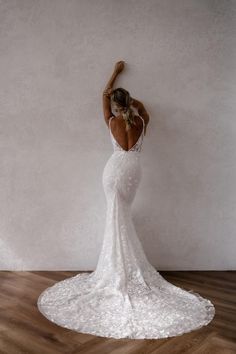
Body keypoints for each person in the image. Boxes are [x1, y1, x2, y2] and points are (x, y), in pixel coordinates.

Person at [37, 61, 215, 339]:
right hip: (133, 170)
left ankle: (115, 268)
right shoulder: (142, 120)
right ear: (131, 103)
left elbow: (104, 94)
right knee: (123, 215)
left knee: (115, 216)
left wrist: (115, 73)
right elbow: (140, 107)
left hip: (113, 170)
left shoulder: (111, 121)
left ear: (117, 108)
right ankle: (122, 265)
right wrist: (131, 101)